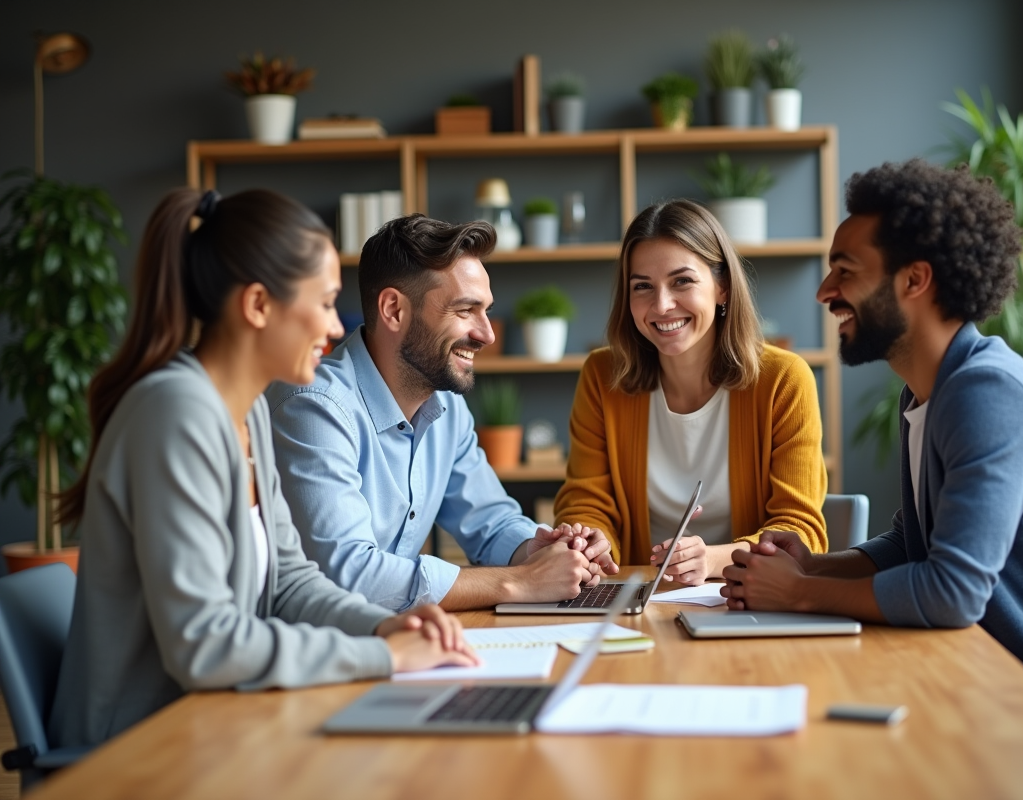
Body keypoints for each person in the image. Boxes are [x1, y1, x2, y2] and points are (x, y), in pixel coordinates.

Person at [721, 159, 1023, 753]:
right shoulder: (926, 393)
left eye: (845, 271)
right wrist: (812, 564)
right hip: (984, 680)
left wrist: (796, 594)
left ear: (914, 280)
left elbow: (951, 591)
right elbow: (911, 547)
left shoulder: (987, 392)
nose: (824, 292)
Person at [49, 189, 477, 749]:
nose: (334, 328)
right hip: (136, 753)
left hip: (218, 725)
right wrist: (381, 654)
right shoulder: (175, 414)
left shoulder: (247, 409)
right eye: (323, 303)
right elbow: (203, 644)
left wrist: (383, 624)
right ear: (257, 306)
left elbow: (290, 584)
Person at [267, 214, 617, 612]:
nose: (487, 334)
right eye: (466, 310)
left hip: (400, 642)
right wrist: (520, 582)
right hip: (319, 655)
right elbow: (349, 576)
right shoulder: (314, 408)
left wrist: (539, 549)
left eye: (485, 310)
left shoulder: (446, 408)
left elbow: (491, 524)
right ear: (394, 310)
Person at [553, 199, 828, 585]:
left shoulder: (783, 380)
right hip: (638, 598)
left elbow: (801, 531)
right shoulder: (602, 376)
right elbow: (586, 499)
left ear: (722, 288)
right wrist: (590, 540)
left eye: (682, 281)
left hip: (749, 596)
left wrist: (714, 560)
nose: (662, 305)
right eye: (642, 287)